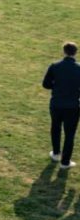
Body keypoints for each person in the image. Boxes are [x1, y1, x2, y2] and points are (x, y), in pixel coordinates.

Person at [43, 42, 80, 170]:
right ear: (75, 53)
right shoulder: (79, 68)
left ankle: (56, 153)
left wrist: (57, 87)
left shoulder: (55, 66)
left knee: (55, 128)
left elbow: (46, 84)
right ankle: (65, 162)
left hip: (56, 104)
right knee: (70, 134)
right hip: (73, 106)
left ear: (64, 51)